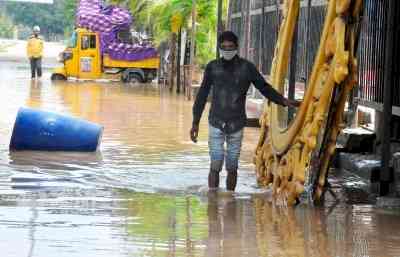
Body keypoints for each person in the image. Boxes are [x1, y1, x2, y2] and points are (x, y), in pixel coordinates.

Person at [190, 31, 300, 191]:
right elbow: (202, 95)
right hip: (216, 122)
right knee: (216, 162)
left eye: (231, 46)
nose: (227, 50)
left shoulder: (247, 68)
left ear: (236, 47)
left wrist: (282, 101)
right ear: (219, 48)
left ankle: (229, 199)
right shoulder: (212, 67)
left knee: (232, 165)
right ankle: (212, 202)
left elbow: (264, 87)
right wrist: (195, 122)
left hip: (237, 123)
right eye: (224, 47)